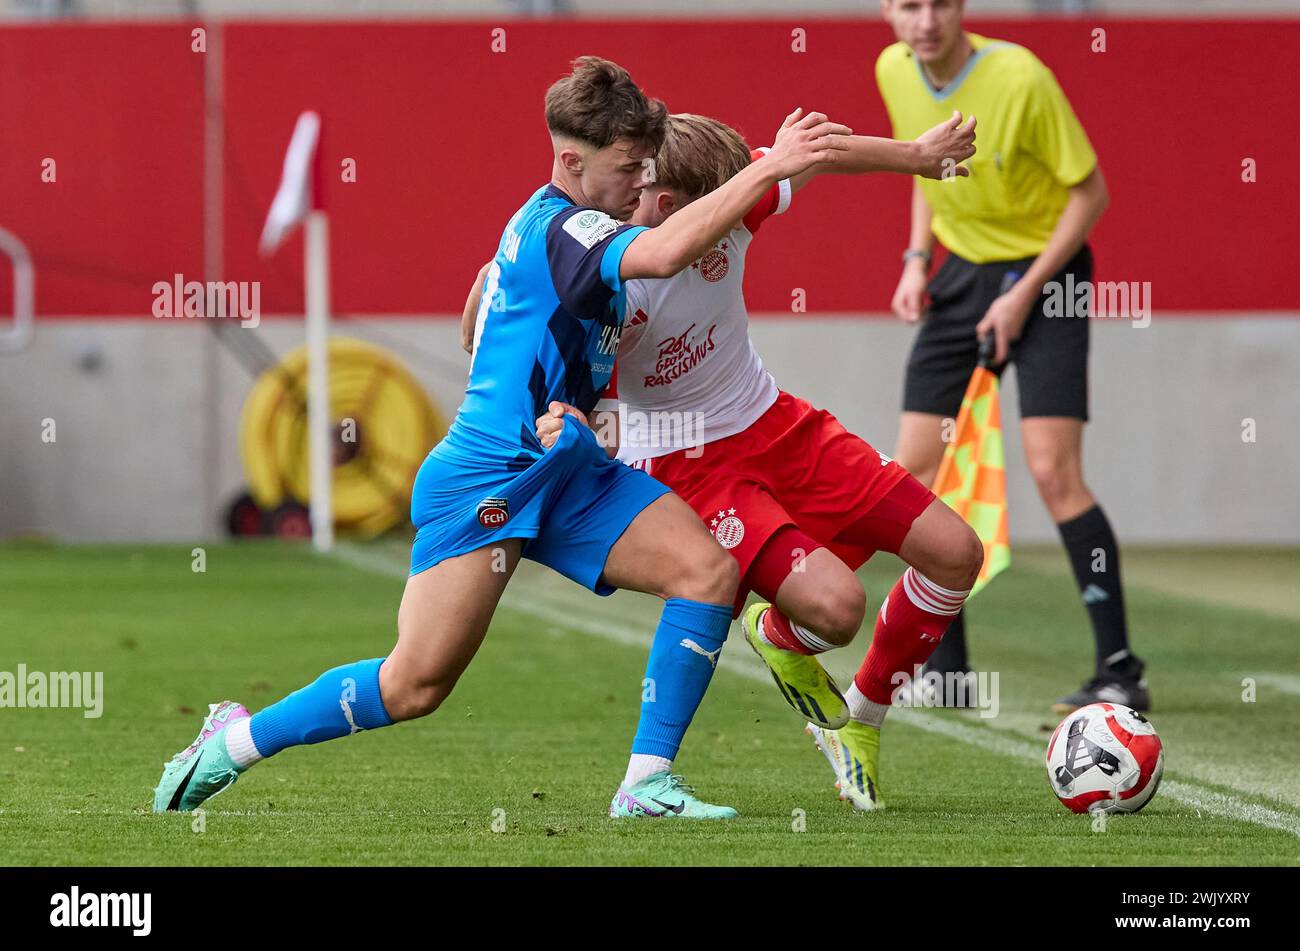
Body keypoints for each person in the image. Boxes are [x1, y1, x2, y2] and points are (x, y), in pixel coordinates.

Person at [152, 57, 850, 820]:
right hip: (489, 473)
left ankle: (645, 783)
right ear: (570, 161)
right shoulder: (572, 227)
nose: (641, 181)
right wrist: (771, 166)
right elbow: (660, 254)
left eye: (647, 165)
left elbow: (476, 322)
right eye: (628, 167)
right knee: (414, 685)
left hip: (570, 466)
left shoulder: (569, 224)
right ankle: (234, 741)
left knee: (708, 573)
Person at [523, 110, 982, 811]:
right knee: (838, 609)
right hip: (693, 467)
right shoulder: (606, 276)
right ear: (674, 206)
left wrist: (916, 154)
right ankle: (767, 641)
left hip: (777, 423)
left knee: (956, 553)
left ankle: (859, 725)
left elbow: (820, 155)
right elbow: (511, 325)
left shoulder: (734, 191)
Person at [877, 0, 1149, 711]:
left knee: (1052, 470)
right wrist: (915, 259)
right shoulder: (893, 70)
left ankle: (1119, 669)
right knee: (916, 468)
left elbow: (1091, 194)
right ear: (888, 11)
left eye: (940, 3)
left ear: (961, 7)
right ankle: (947, 670)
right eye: (909, 4)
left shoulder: (1022, 77)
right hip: (960, 275)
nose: (925, 19)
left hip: (1047, 278)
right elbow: (925, 166)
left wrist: (1024, 293)